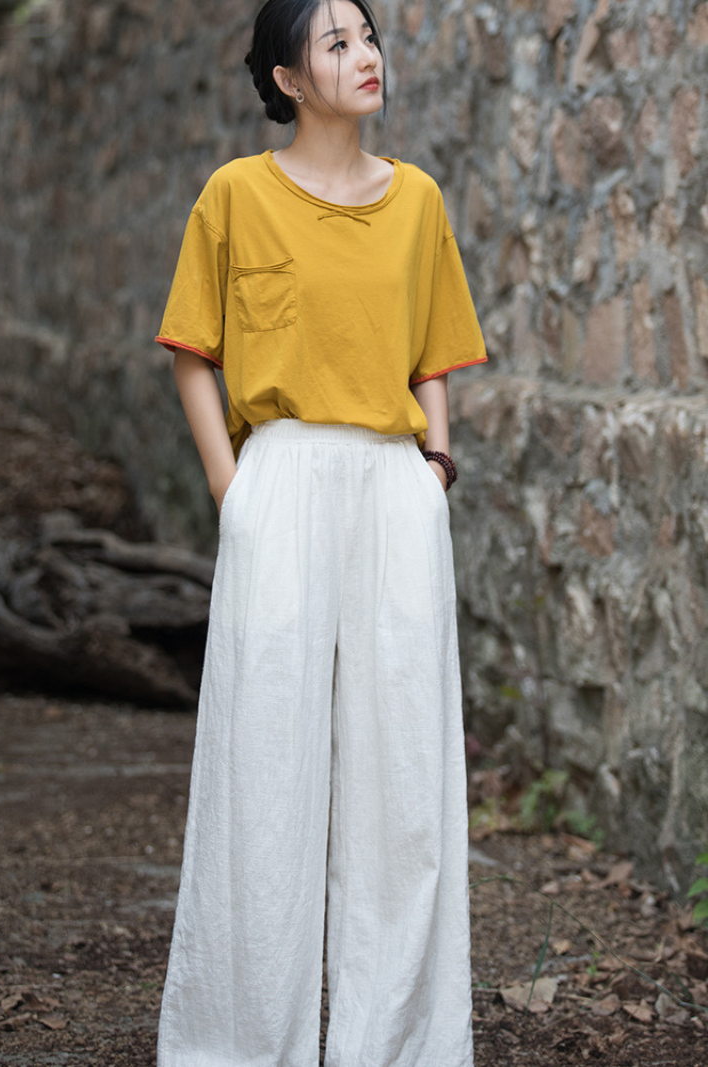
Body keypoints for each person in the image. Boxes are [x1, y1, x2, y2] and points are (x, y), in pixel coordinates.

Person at [154, 1, 487, 1064]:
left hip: (395, 485)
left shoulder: (418, 199)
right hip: (280, 478)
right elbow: (191, 348)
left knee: (404, 781)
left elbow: (432, 348)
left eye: (367, 34)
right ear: (285, 77)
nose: (364, 55)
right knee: (263, 766)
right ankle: (241, 1042)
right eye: (334, 41)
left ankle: (396, 1044)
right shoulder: (234, 195)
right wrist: (231, 486)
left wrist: (434, 463)